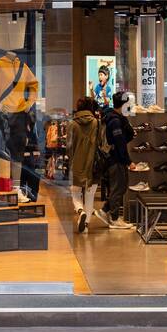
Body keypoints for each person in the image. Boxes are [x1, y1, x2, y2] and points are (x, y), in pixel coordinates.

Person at [97, 92, 136, 230]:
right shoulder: (115, 121)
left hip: (114, 158)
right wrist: (128, 161)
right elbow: (120, 144)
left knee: (120, 187)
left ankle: (104, 211)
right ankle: (114, 219)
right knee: (118, 188)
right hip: (115, 159)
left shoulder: (116, 118)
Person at [67, 97, 104, 234]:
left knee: (75, 192)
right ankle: (86, 225)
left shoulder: (72, 124)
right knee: (90, 195)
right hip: (93, 164)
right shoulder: (96, 122)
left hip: (77, 164)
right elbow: (101, 142)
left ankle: (80, 211)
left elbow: (69, 147)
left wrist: (72, 160)